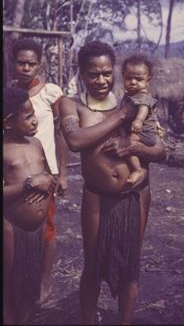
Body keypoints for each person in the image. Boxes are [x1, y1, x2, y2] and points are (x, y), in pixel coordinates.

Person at [59, 40, 166, 325]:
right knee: (92, 264)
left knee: (131, 265)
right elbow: (75, 140)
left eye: (107, 73)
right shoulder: (72, 104)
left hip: (136, 194)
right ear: (82, 72)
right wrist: (119, 116)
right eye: (93, 74)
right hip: (97, 195)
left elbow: (161, 149)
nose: (101, 80)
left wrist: (133, 149)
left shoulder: (133, 100)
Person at [11, 38, 69, 303]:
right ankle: (17, 282)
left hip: (46, 174)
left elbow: (60, 133)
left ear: (40, 65)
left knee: (46, 228)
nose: (25, 68)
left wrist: (63, 173)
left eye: (31, 63)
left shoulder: (51, 93)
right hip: (15, 173)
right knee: (16, 227)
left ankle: (43, 281)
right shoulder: (9, 96)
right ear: (13, 64)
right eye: (21, 63)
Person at [3, 86, 57, 325]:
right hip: (11, 229)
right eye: (28, 117)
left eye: (34, 114)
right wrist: (29, 184)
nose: (35, 120)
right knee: (8, 287)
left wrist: (49, 182)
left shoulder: (35, 143)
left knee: (26, 287)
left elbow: (45, 175)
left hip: (34, 233)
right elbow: (32, 180)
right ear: (7, 123)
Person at [120, 54, 158, 186]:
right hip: (136, 130)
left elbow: (143, 108)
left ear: (147, 81)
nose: (133, 82)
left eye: (139, 79)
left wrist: (138, 120)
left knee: (127, 144)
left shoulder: (142, 95)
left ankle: (137, 170)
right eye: (129, 78)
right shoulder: (129, 95)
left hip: (144, 132)